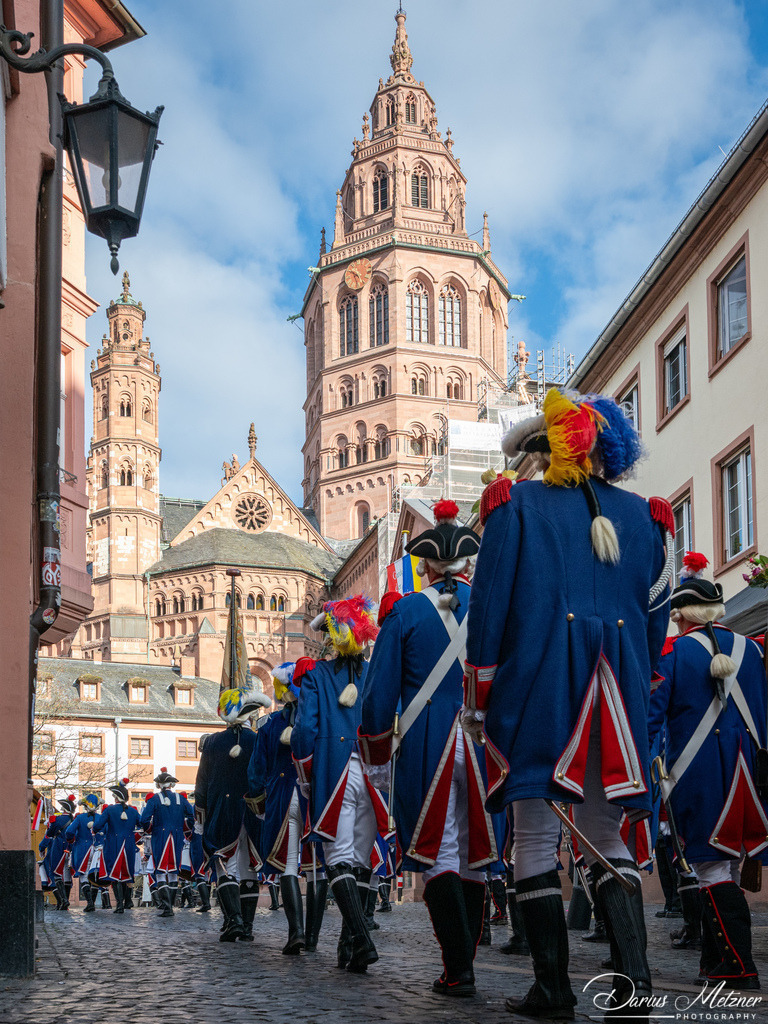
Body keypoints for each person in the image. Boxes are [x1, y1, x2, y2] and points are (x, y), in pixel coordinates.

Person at [463, 389, 672, 1020]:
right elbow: (657, 624)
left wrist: (480, 694)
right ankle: (633, 986)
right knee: (608, 834)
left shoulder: (513, 505)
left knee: (534, 833)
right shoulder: (648, 517)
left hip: (540, 683)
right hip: (620, 687)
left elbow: (490, 612)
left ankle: (552, 989)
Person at [360, 501, 499, 997]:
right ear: (466, 564)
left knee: (440, 850)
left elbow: (378, 697)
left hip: (428, 740)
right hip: (485, 743)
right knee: (473, 851)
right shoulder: (489, 606)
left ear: (426, 565)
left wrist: (377, 755)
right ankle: (467, 958)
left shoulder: (406, 611)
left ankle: (458, 968)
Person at [649, 552, 768, 990]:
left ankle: (738, 966)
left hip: (700, 773)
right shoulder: (753, 651)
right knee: (730, 864)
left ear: (681, 616)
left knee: (709, 868)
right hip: (751, 773)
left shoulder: (674, 652)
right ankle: (715, 962)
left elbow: (651, 718)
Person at [291, 596, 387, 974]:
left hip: (335, 770)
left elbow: (304, 732)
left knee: (337, 858)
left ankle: (361, 940)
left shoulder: (316, 675)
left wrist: (307, 775)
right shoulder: (375, 670)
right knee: (361, 861)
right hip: (373, 772)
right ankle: (349, 947)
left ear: (331, 637)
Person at [249, 662, 324, 954]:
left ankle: (297, 933)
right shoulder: (319, 717)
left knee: (290, 865)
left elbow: (257, 769)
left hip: (283, 797)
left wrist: (258, 801)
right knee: (319, 869)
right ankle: (313, 938)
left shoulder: (270, 724)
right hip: (315, 797)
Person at [194, 685, 271, 940]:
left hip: (221, 811)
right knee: (248, 869)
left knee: (223, 865)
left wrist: (200, 818)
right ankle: (246, 927)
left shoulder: (213, 742)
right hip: (253, 810)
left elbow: (201, 785)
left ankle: (235, 920)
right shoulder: (258, 739)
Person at [140, 769, 195, 919]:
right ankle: (170, 906)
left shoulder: (155, 799)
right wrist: (185, 829)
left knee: (160, 871)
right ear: (171, 784)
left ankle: (168, 908)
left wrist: (149, 829)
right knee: (173, 872)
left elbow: (144, 819)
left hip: (161, 835)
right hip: (177, 836)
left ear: (159, 785)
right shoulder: (181, 799)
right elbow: (191, 817)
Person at [93, 779, 141, 913]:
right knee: (126, 873)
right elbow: (142, 824)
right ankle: (126, 902)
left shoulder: (110, 810)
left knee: (114, 874)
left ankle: (119, 904)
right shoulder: (132, 811)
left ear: (116, 797)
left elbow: (98, 826)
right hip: (129, 845)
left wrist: (96, 830)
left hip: (114, 844)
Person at [64, 794, 100, 912]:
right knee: (94, 875)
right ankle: (92, 903)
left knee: (84, 875)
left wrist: (71, 839)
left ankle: (90, 903)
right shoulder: (100, 817)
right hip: (97, 849)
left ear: (85, 805)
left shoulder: (79, 818)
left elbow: (69, 831)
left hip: (83, 849)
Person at [49, 794, 77, 910]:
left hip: (59, 848)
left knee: (56, 873)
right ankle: (66, 900)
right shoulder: (74, 820)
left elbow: (50, 834)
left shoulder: (57, 820)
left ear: (64, 809)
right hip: (70, 848)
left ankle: (64, 900)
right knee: (67, 874)